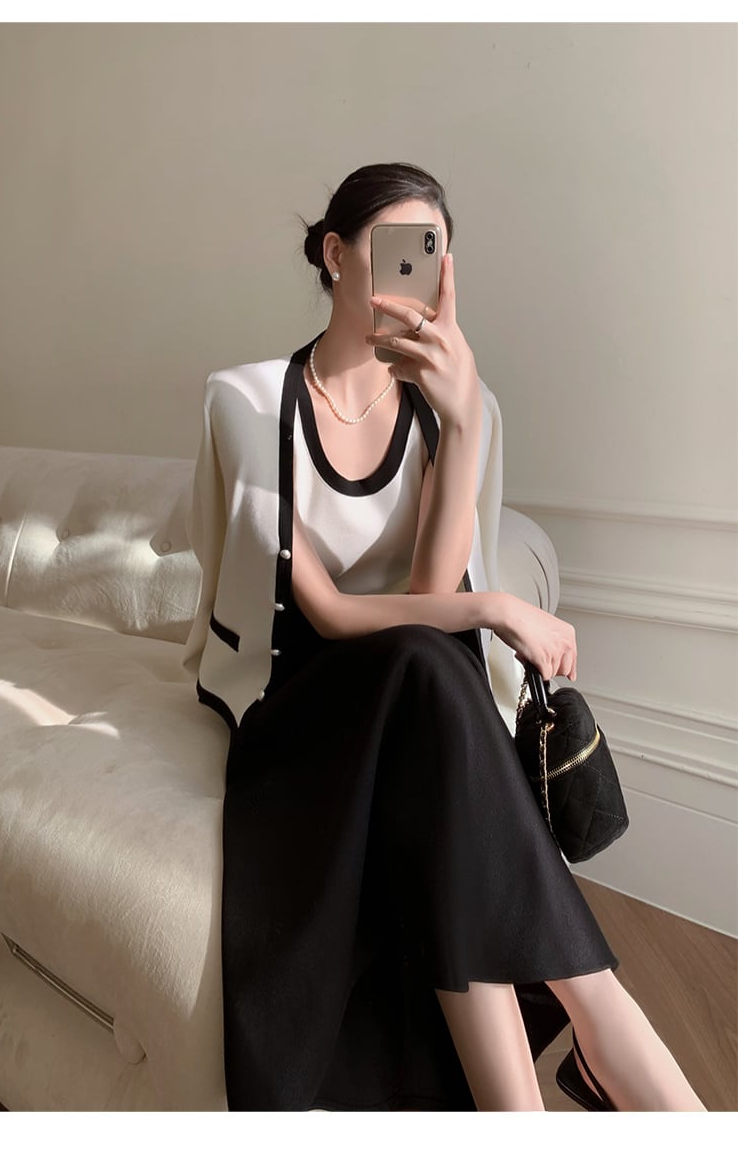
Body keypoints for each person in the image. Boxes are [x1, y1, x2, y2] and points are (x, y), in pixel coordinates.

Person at [182, 161, 707, 1112]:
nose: (411, 275)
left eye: (430, 254)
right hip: (301, 709)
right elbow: (330, 615)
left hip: (413, 701)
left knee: (430, 698)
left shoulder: (456, 407)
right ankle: (608, 1027)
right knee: (431, 664)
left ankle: (521, 1110)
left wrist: (463, 426)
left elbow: (427, 593)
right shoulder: (251, 403)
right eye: (393, 248)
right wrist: (496, 606)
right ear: (334, 254)